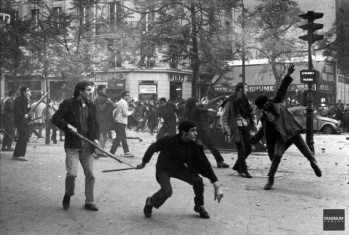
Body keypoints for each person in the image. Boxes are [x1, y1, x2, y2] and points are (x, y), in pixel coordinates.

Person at [252, 63, 322, 190]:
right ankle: (270, 179)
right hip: (282, 137)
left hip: (292, 131)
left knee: (307, 153)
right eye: (264, 105)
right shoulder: (265, 117)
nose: (267, 105)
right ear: (261, 107)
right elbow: (263, 131)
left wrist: (288, 74)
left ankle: (313, 163)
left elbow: (282, 89)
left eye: (267, 102)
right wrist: (254, 139)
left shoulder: (276, 101)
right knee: (277, 157)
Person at [137, 120, 223, 219]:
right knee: (167, 191)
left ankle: (199, 206)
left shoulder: (194, 146)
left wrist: (216, 185)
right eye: (192, 130)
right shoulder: (168, 140)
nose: (196, 133)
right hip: (163, 168)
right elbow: (152, 148)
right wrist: (143, 163)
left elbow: (204, 165)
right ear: (183, 132)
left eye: (196, 130)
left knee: (198, 181)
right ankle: (150, 202)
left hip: (179, 169)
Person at [51, 81, 100, 211]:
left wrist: (95, 138)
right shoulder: (68, 103)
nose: (91, 92)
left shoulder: (92, 105)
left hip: (87, 145)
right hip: (73, 144)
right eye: (89, 90)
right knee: (71, 174)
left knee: (90, 174)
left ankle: (89, 202)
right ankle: (68, 194)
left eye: (91, 90)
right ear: (80, 91)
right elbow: (55, 119)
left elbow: (95, 124)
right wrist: (67, 126)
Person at [221, 82, 257, 178]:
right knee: (241, 148)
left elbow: (252, 113)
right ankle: (244, 170)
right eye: (246, 88)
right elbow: (224, 117)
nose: (247, 90)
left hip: (245, 125)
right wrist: (227, 131)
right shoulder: (229, 101)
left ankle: (237, 166)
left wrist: (254, 125)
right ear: (240, 89)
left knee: (248, 148)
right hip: (235, 127)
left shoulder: (246, 101)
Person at [185, 97, 229, 168]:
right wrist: (209, 109)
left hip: (191, 131)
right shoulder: (196, 109)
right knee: (210, 145)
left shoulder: (188, 110)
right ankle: (219, 161)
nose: (197, 103)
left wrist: (203, 105)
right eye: (196, 102)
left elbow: (199, 108)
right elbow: (200, 109)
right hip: (199, 130)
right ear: (194, 103)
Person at [109, 91, 134, 157]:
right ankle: (112, 152)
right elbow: (125, 113)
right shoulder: (123, 103)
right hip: (121, 122)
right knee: (119, 137)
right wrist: (131, 112)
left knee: (123, 137)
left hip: (119, 121)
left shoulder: (120, 102)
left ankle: (126, 151)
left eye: (129, 95)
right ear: (124, 96)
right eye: (127, 95)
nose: (128, 97)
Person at [93, 85, 113, 157]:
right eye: (104, 89)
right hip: (100, 120)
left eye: (105, 89)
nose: (105, 91)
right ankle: (98, 151)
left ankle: (100, 150)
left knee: (104, 136)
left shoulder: (104, 97)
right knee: (100, 136)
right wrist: (106, 103)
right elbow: (99, 109)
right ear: (99, 90)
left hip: (105, 119)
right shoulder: (97, 98)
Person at [13, 86, 32, 161]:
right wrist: (24, 115)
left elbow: (26, 110)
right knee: (24, 137)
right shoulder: (19, 99)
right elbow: (17, 110)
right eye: (28, 90)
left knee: (22, 137)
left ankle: (16, 155)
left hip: (22, 120)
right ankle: (20, 155)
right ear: (24, 91)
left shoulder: (25, 99)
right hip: (19, 120)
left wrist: (29, 108)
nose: (29, 91)